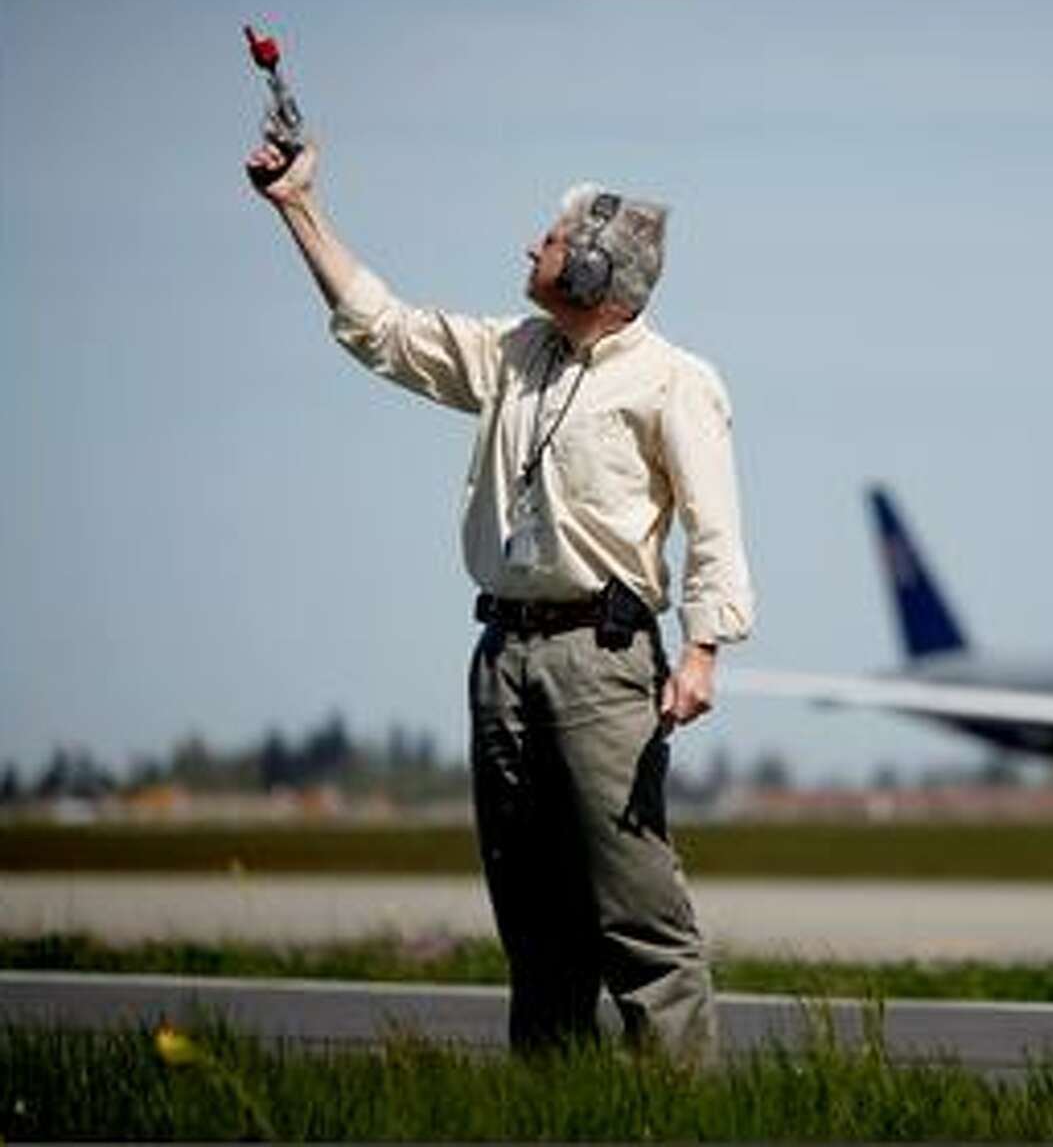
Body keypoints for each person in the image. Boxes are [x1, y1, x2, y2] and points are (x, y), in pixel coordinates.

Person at [245, 138, 753, 1064]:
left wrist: (704, 649)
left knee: (638, 915)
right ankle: (555, 1107)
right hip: (502, 658)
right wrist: (298, 207)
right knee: (532, 917)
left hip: (602, 659)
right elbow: (385, 330)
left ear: (595, 267)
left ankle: (685, 1117)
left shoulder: (676, 381)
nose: (531, 249)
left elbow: (714, 529)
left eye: (552, 240)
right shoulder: (515, 355)